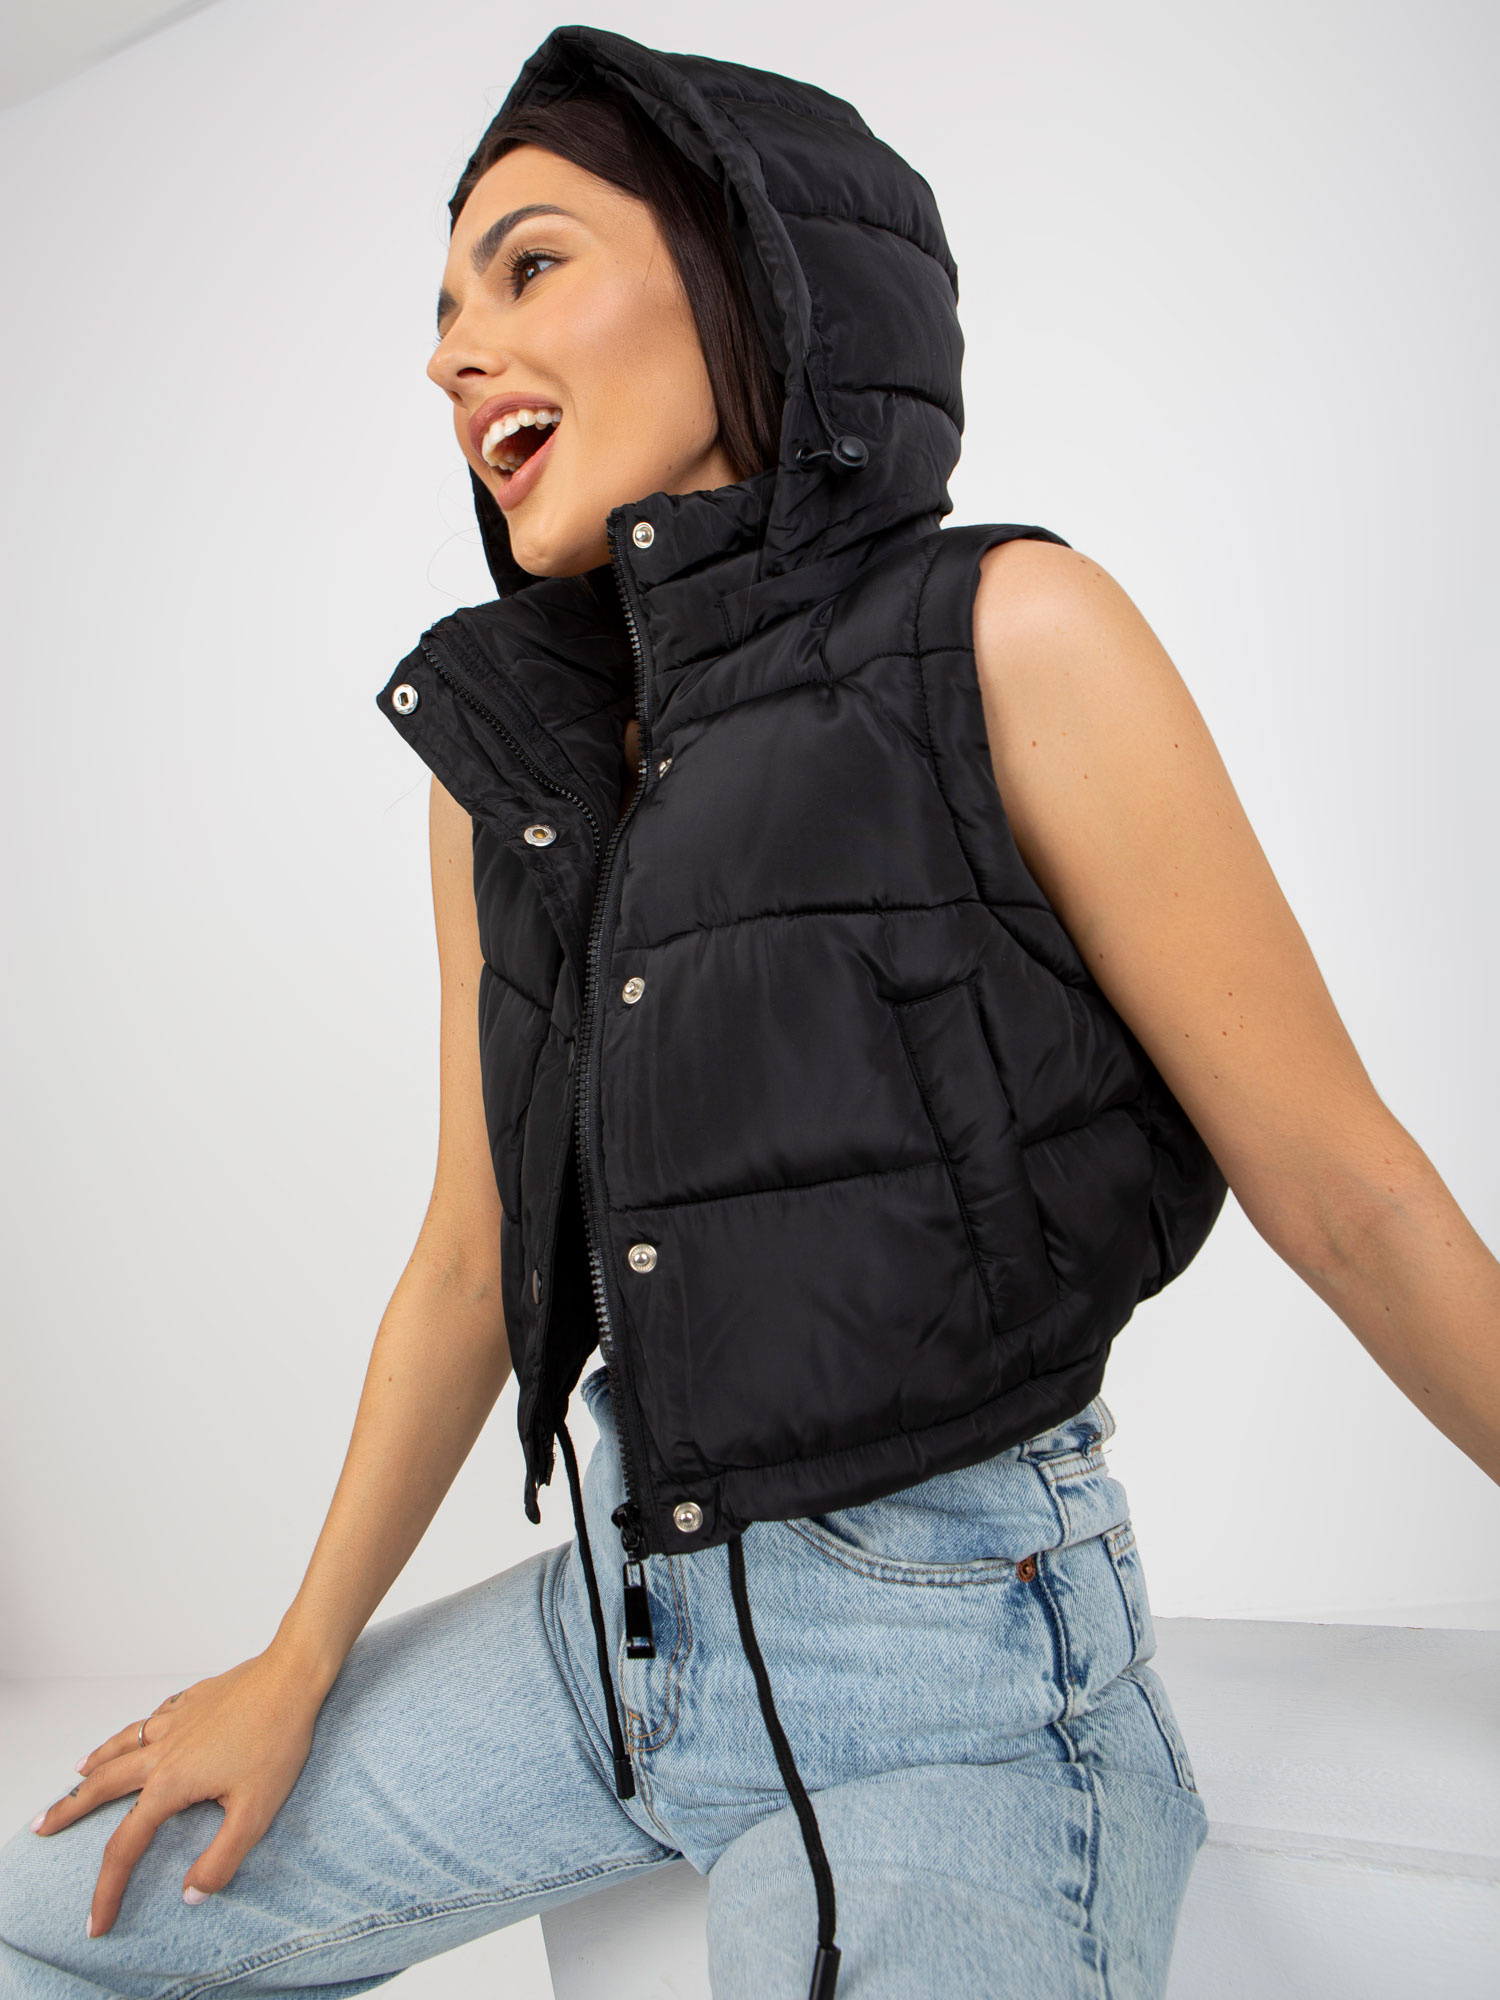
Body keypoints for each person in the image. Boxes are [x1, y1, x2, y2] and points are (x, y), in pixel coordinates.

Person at [4, 24, 1497, 2000]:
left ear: (746, 270)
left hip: (951, 1673)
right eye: (442, 311)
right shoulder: (510, 772)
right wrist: (294, 1665)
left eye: (527, 266)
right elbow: (466, 1259)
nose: (453, 354)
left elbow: (1344, 1186)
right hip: (617, 1637)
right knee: (50, 1923)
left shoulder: (1008, 634)